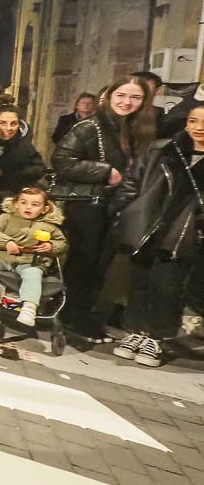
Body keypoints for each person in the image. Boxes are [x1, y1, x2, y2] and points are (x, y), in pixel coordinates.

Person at [51, 76, 155, 343]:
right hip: (88, 204)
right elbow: (62, 159)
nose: (126, 102)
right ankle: (75, 317)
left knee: (101, 264)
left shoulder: (139, 130)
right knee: (83, 263)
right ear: (109, 96)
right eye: (120, 95)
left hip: (116, 206)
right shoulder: (91, 127)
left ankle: (84, 314)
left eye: (135, 97)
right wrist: (104, 171)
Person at [110, 105, 204, 366]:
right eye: (193, 121)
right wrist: (125, 211)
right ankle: (134, 333)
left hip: (185, 233)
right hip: (148, 226)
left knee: (168, 287)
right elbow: (133, 181)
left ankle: (157, 338)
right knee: (139, 282)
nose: (199, 128)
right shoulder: (163, 149)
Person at [0, 188, 66, 327]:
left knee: (33, 274)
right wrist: (6, 241)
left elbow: (62, 243)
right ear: (16, 204)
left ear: (44, 209)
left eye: (35, 205)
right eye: (24, 202)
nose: (28, 207)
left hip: (30, 261)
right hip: (1, 256)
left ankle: (29, 308)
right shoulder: (7, 218)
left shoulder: (49, 226)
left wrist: (51, 246)